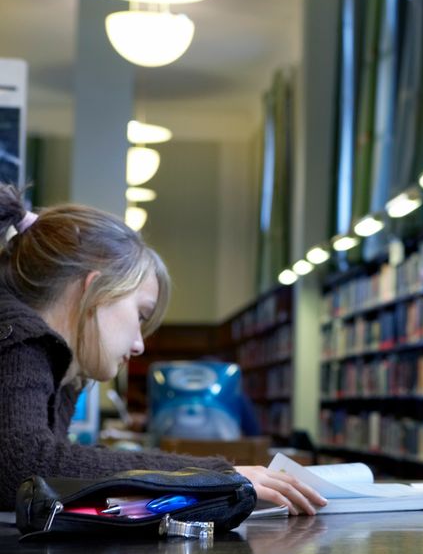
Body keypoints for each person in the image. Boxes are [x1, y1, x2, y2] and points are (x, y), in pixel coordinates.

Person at [0, 185, 326, 515]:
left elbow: (41, 466)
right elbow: (23, 465)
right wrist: (213, 477)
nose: (140, 344)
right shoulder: (21, 339)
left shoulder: (53, 362)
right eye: (140, 315)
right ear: (94, 290)